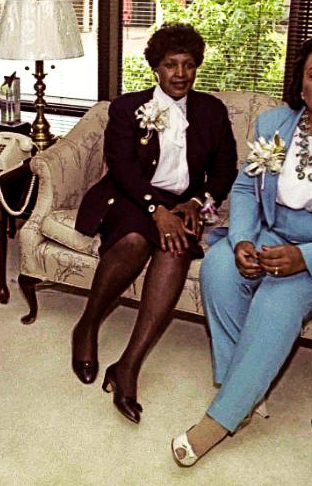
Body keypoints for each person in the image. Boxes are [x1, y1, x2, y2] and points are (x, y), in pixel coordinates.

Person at [170, 33, 312, 466]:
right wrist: (242, 238)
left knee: (277, 300)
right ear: (300, 86)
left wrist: (306, 257)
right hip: (269, 234)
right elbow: (244, 188)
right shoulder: (273, 126)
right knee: (219, 269)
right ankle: (240, 387)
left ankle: (221, 419)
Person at [72, 23, 238, 424]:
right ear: (156, 68)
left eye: (188, 65)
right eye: (170, 65)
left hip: (183, 204)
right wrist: (154, 210)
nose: (180, 74)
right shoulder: (128, 108)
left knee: (176, 249)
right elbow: (123, 169)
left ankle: (128, 365)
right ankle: (87, 326)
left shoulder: (211, 111)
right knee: (131, 242)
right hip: (130, 195)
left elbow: (224, 168)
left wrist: (196, 203)